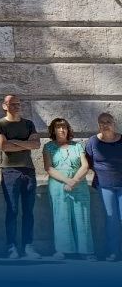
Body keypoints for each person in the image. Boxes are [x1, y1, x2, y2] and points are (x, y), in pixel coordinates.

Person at [0, 94, 42, 260]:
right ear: (4, 106)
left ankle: (28, 246)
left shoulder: (29, 124)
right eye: (12, 104)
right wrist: (25, 144)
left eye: (18, 104)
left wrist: (14, 141)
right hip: (9, 171)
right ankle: (11, 246)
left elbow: (36, 144)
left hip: (28, 170)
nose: (16, 106)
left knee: (28, 211)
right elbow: (3, 146)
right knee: (12, 210)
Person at [43, 118, 94, 259]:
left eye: (64, 127)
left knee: (82, 216)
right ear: (53, 130)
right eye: (58, 127)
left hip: (79, 184)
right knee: (61, 216)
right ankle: (63, 250)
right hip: (58, 185)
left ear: (68, 129)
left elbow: (85, 166)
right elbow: (48, 168)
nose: (61, 130)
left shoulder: (77, 146)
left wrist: (74, 181)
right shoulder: (48, 146)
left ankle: (86, 251)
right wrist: (67, 181)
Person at [87, 112, 122, 261]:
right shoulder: (93, 142)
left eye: (108, 121)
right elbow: (88, 161)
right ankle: (114, 252)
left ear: (114, 123)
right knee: (111, 219)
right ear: (98, 125)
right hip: (104, 185)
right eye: (102, 122)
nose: (105, 124)